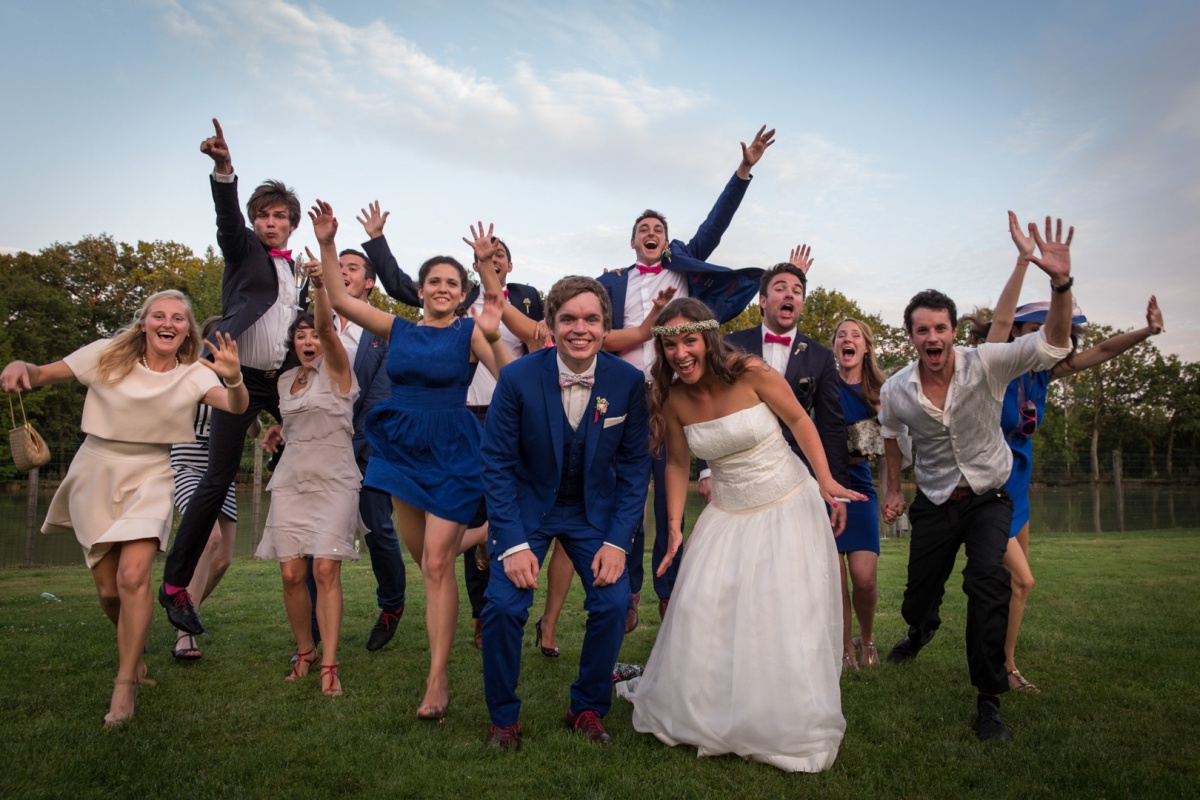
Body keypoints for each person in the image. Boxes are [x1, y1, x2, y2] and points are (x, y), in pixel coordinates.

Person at [615, 297, 864, 772]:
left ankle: (778, 715)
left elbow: (798, 420)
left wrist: (828, 481)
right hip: (726, 513)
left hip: (787, 504)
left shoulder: (750, 371)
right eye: (669, 345)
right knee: (707, 609)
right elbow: (677, 463)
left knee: (780, 612)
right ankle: (708, 710)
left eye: (689, 341)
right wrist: (672, 527)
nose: (680, 353)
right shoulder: (669, 397)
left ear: (708, 338)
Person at [0, 291, 247, 727]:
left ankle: (125, 683)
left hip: (152, 472)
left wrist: (234, 379)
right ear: (144, 323)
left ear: (187, 330)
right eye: (158, 316)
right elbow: (41, 374)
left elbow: (235, 406)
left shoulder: (192, 375)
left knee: (134, 576)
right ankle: (133, 653)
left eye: (177, 318)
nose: (167, 323)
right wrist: (22, 367)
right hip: (96, 470)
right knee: (109, 591)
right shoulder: (105, 356)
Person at [879, 214, 1077, 741]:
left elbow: (1053, 346)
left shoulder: (985, 362)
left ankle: (989, 700)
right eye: (922, 329)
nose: (933, 336)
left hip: (990, 496)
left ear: (950, 330)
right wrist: (894, 488)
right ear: (912, 337)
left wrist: (1060, 283)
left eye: (941, 327)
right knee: (918, 597)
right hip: (937, 502)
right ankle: (921, 627)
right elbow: (891, 435)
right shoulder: (897, 389)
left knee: (988, 583)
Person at [312, 201, 511, 719]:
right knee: (423, 557)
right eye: (434, 282)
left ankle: (437, 679)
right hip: (399, 447)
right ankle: (484, 534)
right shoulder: (395, 328)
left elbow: (509, 379)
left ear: (462, 293)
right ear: (419, 290)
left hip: (451, 447)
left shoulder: (469, 333)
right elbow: (339, 298)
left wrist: (490, 317)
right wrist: (330, 243)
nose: (443, 288)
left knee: (438, 565)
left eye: (452, 282)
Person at [966, 214, 1166, 692]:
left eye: (1064, 328)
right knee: (1023, 580)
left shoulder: (1041, 374)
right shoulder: (992, 364)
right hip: (987, 486)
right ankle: (994, 665)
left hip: (1021, 486)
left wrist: (1146, 333)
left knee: (1017, 587)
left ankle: (1007, 666)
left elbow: (1098, 351)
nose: (1061, 333)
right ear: (1024, 330)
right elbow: (999, 324)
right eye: (1050, 325)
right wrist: (1023, 261)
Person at [596, 126, 774, 628]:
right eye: (643, 228)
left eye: (658, 227)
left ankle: (668, 590)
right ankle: (626, 589)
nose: (651, 232)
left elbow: (717, 223)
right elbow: (592, 330)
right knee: (623, 496)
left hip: (671, 395)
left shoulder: (682, 266)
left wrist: (743, 171)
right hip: (622, 396)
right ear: (632, 240)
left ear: (667, 239)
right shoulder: (610, 281)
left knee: (666, 493)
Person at [479, 276, 652, 752]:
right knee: (503, 607)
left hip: (592, 512)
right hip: (528, 510)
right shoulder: (517, 377)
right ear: (551, 325)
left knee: (615, 604)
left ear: (604, 326)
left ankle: (588, 707)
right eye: (569, 319)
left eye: (591, 319)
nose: (581, 328)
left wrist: (618, 542)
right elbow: (495, 462)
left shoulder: (628, 382)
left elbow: (636, 466)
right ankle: (503, 719)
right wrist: (512, 544)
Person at [160, 118, 304, 635]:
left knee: (305, 455)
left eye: (279, 217)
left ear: (292, 224)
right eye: (263, 216)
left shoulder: (298, 272)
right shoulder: (245, 252)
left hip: (280, 382)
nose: (270, 223)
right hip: (235, 376)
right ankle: (176, 585)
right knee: (216, 476)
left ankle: (312, 564)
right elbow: (226, 221)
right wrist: (224, 171)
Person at [257, 258, 360, 697]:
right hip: (292, 480)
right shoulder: (284, 383)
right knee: (290, 575)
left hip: (335, 479)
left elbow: (327, 329)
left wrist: (319, 285)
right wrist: (275, 430)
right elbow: (294, 423)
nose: (309, 340)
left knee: (324, 569)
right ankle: (305, 651)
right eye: (300, 335)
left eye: (314, 333)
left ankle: (331, 663)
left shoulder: (340, 370)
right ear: (293, 344)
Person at [699, 247, 850, 535]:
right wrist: (706, 469)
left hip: (797, 478)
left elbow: (832, 427)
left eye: (797, 290)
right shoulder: (729, 345)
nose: (790, 294)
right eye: (780, 288)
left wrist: (834, 486)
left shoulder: (820, 356)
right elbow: (709, 406)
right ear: (763, 301)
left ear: (802, 303)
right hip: (737, 476)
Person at [168, 316, 242, 661]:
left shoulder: (235, 379)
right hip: (186, 462)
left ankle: (184, 608)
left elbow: (249, 427)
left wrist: (250, 413)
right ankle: (185, 633)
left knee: (224, 558)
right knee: (208, 538)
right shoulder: (188, 375)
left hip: (219, 470)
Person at [831, 318, 888, 669]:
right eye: (841, 335)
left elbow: (893, 448)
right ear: (835, 346)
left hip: (861, 490)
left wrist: (893, 491)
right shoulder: (822, 386)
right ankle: (843, 648)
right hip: (825, 492)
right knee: (835, 580)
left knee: (864, 580)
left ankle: (865, 638)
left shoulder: (881, 393)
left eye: (856, 336)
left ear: (865, 347)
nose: (848, 340)